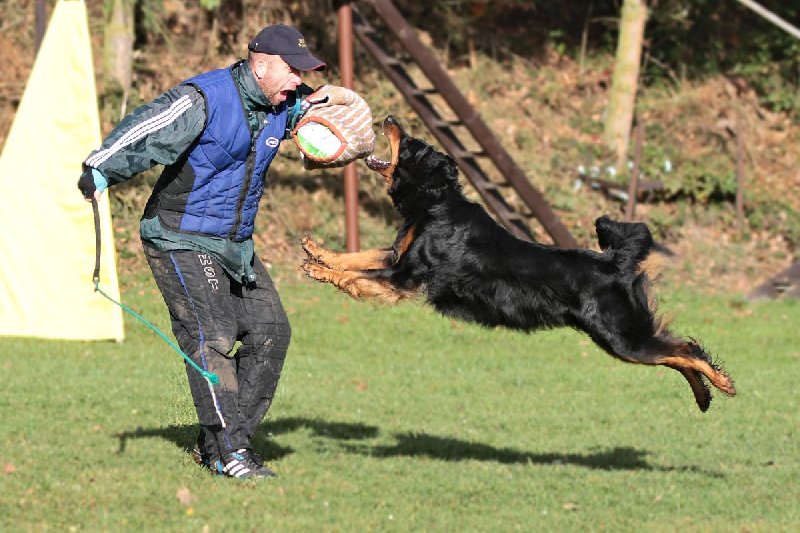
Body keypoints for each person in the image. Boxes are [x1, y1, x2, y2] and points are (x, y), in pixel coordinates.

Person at [78, 24, 326, 479]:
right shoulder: (206, 98)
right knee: (211, 334)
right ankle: (229, 453)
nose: (298, 80)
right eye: (293, 71)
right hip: (179, 236)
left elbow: (320, 117)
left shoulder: (284, 104)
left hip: (234, 245)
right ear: (263, 63)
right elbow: (147, 128)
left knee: (271, 332)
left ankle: (219, 443)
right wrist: (100, 168)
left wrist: (342, 122)